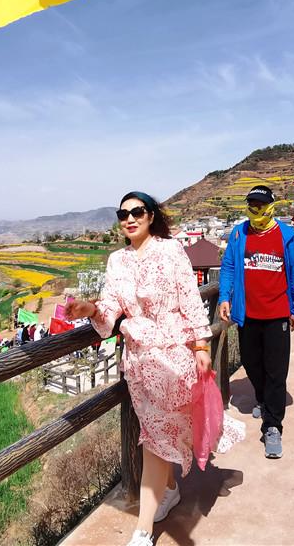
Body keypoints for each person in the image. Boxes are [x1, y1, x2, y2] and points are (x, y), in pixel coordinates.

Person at [68, 191, 243, 546]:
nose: (130, 219)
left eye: (137, 212)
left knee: (156, 440)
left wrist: (201, 344)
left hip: (173, 358)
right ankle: (170, 488)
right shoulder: (117, 261)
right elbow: (110, 309)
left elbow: (189, 299)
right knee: (158, 433)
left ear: (151, 216)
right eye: (123, 214)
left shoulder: (170, 250)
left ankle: (143, 529)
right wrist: (89, 309)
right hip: (139, 364)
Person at [217, 185, 294, 459]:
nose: (256, 210)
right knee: (252, 364)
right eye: (252, 205)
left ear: (271, 207)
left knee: (276, 372)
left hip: (278, 314)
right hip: (247, 314)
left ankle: (272, 426)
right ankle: (264, 399)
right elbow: (228, 267)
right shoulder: (239, 233)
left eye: (260, 205)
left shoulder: (286, 235)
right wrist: (224, 297)